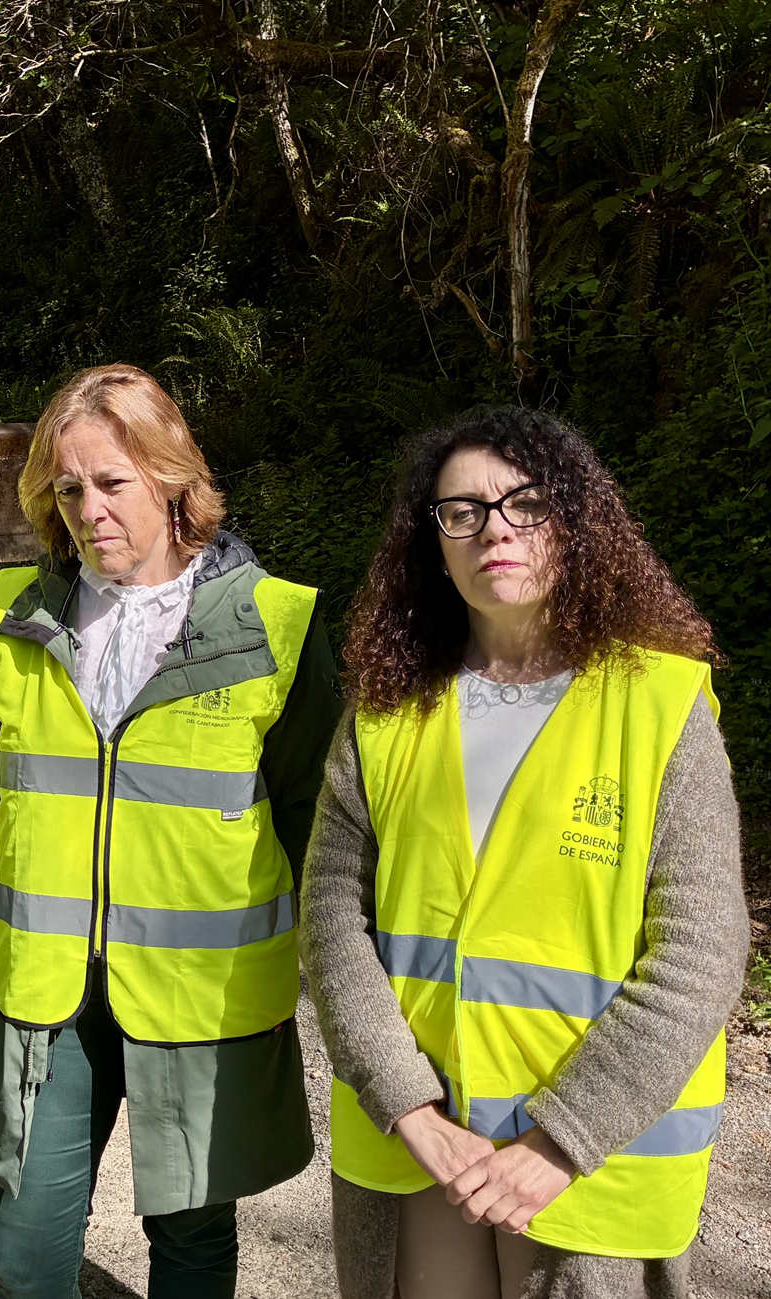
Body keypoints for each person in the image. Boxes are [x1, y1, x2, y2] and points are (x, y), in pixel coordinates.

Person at [299, 407, 748, 1299]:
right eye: (459, 511)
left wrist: (561, 1140)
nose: (493, 526)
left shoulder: (660, 704)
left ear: (576, 521)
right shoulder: (388, 711)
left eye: (525, 502)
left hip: (590, 1163)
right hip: (423, 1149)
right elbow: (331, 916)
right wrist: (411, 1109)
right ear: (433, 542)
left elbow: (699, 953)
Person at [0, 364, 340, 1299]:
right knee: (27, 1248)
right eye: (69, 487)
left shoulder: (274, 626)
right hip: (52, 992)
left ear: (171, 478)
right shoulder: (18, 619)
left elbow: (311, 823)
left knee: (193, 1237)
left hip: (197, 996)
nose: (90, 509)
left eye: (112, 481)